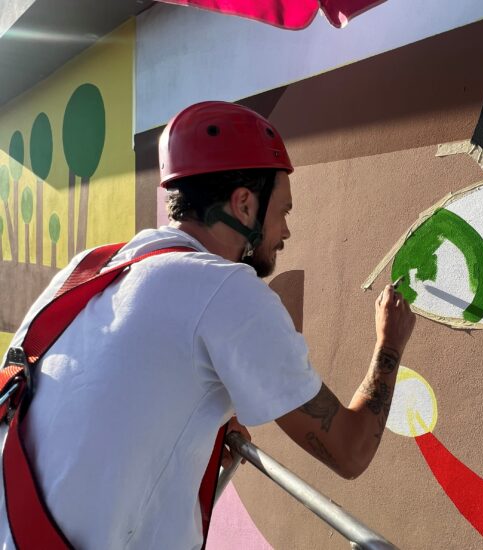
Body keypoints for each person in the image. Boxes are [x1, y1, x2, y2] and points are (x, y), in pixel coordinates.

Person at [0, 101, 415, 549]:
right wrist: (389, 344)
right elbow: (349, 452)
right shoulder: (228, 290)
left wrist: (205, 424)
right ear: (243, 204)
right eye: (284, 212)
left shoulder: (96, 266)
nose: (286, 232)